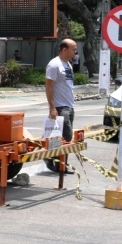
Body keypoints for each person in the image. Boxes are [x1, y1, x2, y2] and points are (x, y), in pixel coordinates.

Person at [45, 39, 78, 174]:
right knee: (66, 135)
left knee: (64, 137)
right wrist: (52, 107)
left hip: (69, 105)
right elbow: (48, 87)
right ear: (64, 49)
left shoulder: (67, 64)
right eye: (73, 49)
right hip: (60, 106)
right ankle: (58, 164)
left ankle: (57, 162)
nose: (75, 52)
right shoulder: (54, 65)